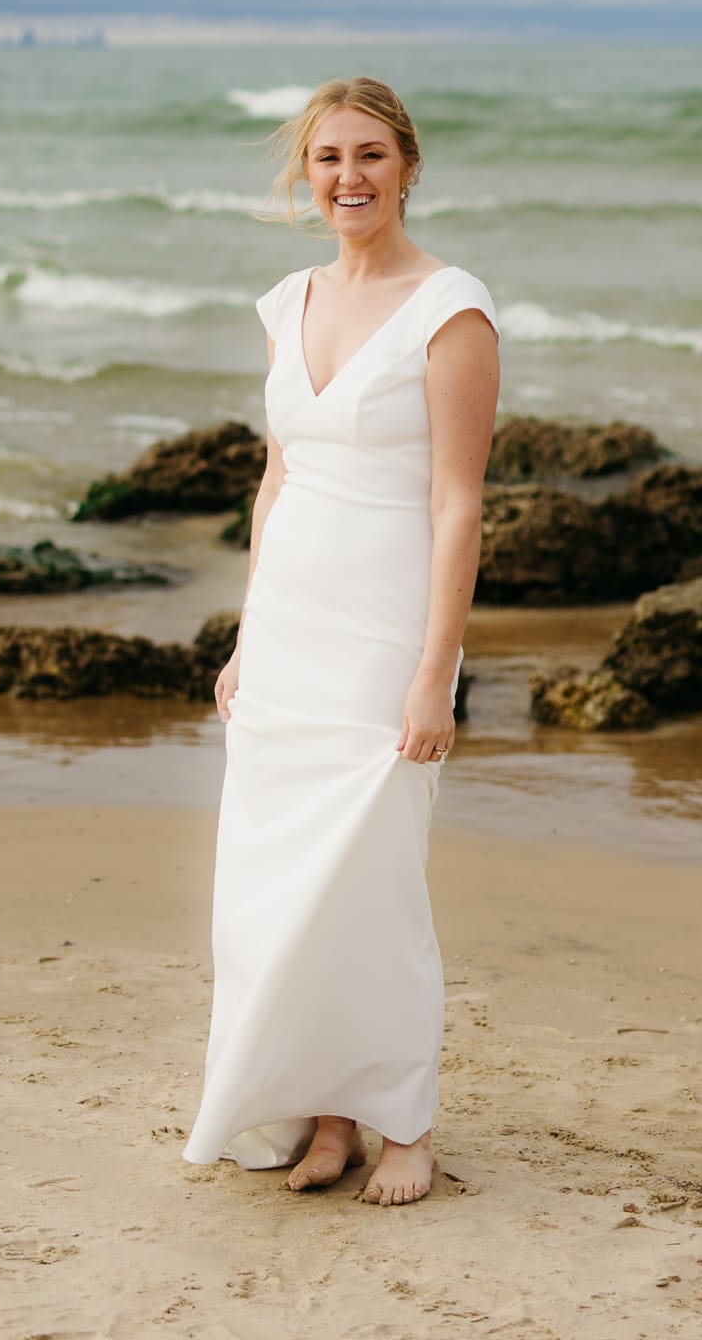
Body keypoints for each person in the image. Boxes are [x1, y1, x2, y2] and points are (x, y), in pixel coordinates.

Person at [182, 77, 500, 1205]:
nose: (349, 177)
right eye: (327, 158)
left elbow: (458, 504)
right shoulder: (286, 302)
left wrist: (434, 674)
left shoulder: (450, 308)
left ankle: (401, 1120)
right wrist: (243, 632)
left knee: (373, 885)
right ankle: (328, 1120)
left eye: (370, 155)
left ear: (409, 165)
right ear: (304, 174)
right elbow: (276, 480)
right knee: (280, 888)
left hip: (384, 634)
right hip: (288, 634)